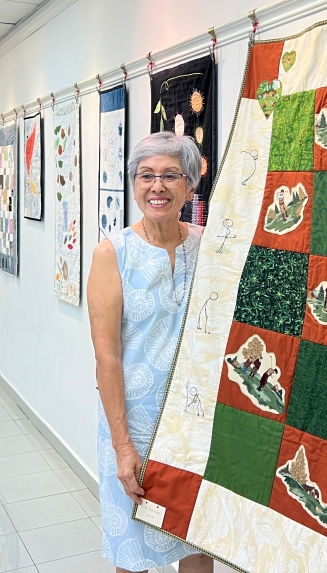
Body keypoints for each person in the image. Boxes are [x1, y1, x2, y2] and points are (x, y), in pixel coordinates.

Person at [89, 132, 214, 573]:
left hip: (197, 423)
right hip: (134, 424)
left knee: (197, 543)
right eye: (146, 176)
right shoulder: (112, 254)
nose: (156, 186)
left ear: (190, 184)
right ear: (134, 183)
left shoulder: (209, 244)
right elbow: (107, 358)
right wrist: (123, 447)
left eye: (169, 175)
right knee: (135, 544)